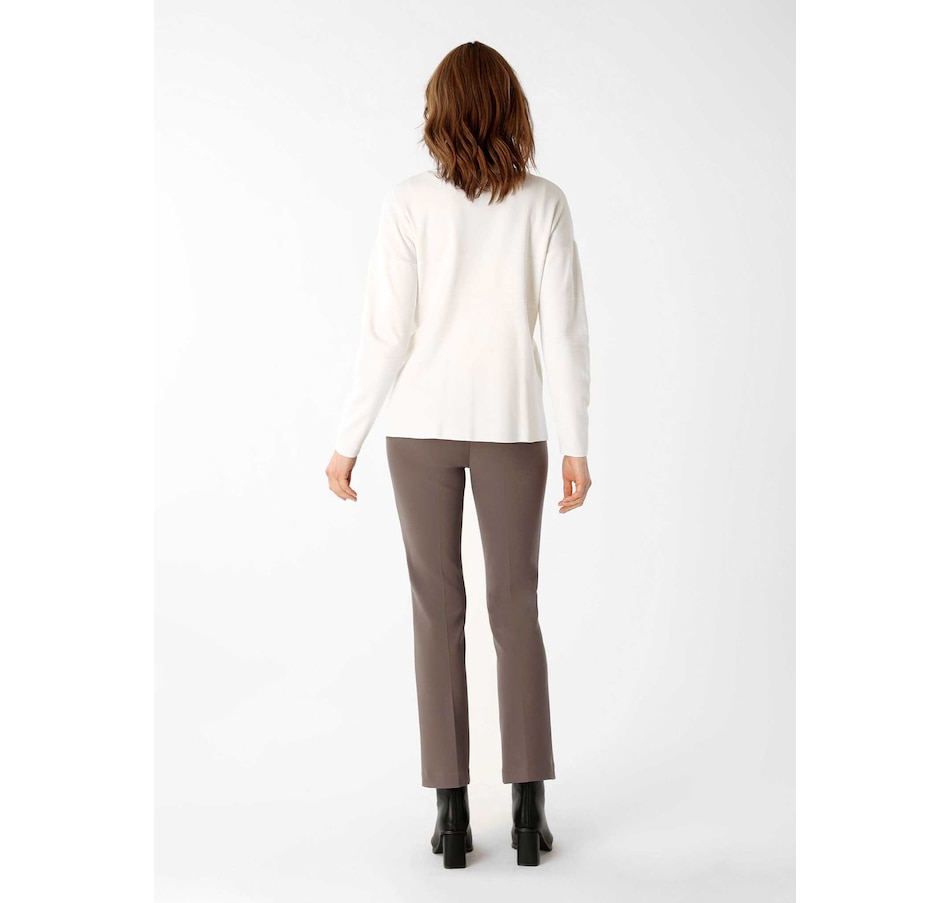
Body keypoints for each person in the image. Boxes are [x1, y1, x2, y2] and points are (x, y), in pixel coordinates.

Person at [325, 40, 592, 868]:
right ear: (511, 107)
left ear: (438, 112)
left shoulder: (409, 203)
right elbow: (566, 336)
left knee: (436, 612)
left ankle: (450, 816)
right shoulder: (544, 203)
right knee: (516, 608)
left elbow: (386, 334)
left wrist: (346, 441)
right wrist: (577, 443)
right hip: (514, 426)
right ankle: (528, 813)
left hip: (420, 429)